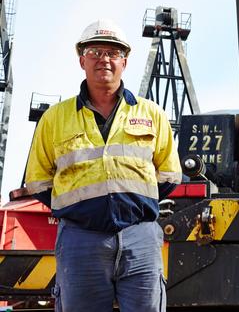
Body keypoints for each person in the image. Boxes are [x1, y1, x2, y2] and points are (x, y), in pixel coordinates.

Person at [25, 19, 182, 312]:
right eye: (95, 52)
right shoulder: (55, 119)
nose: (104, 59)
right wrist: (81, 208)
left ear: (124, 60)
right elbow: (38, 180)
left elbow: (170, 174)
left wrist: (131, 203)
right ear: (81, 59)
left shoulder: (152, 114)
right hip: (81, 239)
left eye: (112, 52)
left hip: (140, 238)